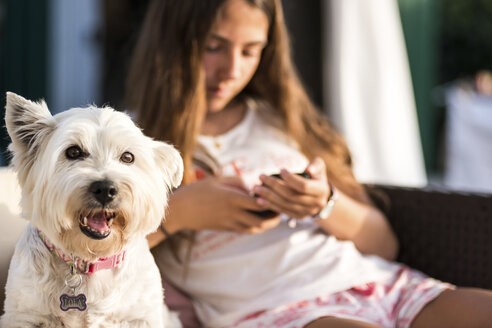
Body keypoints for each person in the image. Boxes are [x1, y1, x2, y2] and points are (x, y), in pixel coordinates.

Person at [126, 0, 492, 327]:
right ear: (172, 43)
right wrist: (180, 213)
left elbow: (384, 244)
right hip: (278, 312)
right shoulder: (130, 142)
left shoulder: (281, 119)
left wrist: (324, 203)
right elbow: (83, 251)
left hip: (381, 286)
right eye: (213, 47)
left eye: (251, 51)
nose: (232, 70)